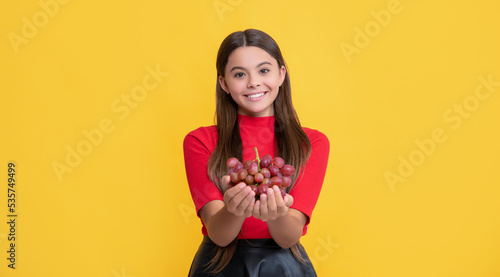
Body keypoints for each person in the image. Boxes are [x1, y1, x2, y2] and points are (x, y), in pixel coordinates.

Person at [183, 28, 330, 276]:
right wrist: (233, 209)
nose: (253, 82)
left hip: (283, 266)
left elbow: (288, 238)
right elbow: (219, 235)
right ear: (224, 83)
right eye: (239, 74)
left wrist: (276, 215)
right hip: (218, 267)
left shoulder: (310, 143)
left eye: (264, 70)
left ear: (281, 74)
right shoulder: (200, 141)